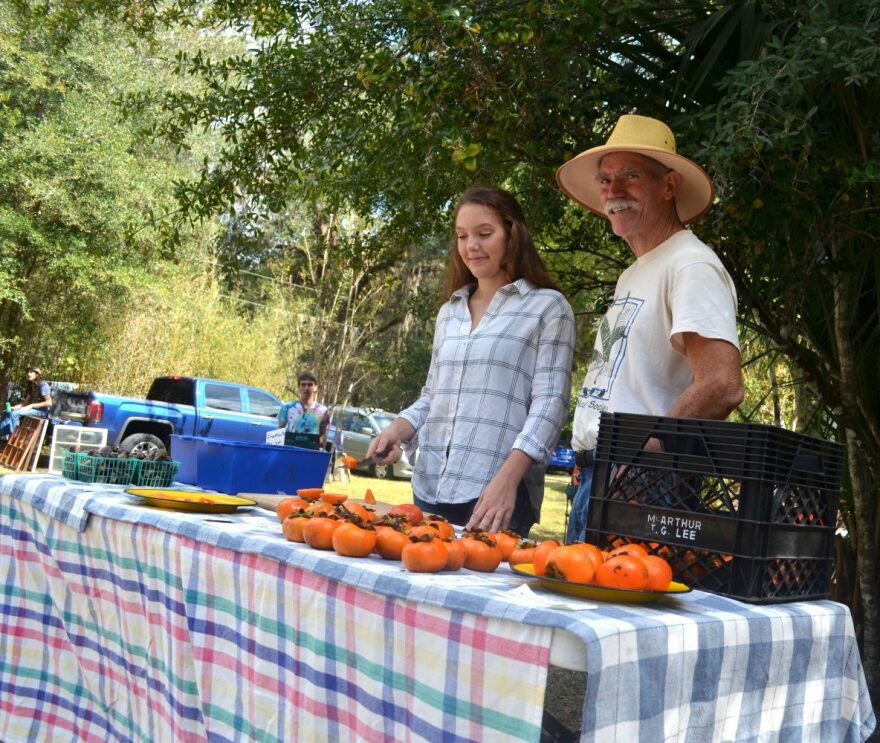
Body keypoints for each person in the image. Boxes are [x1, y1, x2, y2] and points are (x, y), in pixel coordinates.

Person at [556, 114, 744, 543]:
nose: (613, 191)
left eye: (630, 176)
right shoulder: (636, 272)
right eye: (604, 180)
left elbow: (723, 383)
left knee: (612, 609)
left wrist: (645, 457)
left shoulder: (690, 263)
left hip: (641, 484)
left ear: (669, 186)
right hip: (601, 474)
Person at [366, 186, 575, 536]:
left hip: (495, 495)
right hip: (430, 487)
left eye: (484, 234)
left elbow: (550, 405)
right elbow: (434, 395)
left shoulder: (548, 307)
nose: (471, 246)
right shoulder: (449, 312)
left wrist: (507, 480)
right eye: (462, 236)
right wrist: (397, 431)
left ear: (513, 233)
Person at [277, 370, 331, 449]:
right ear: (299, 387)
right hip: (290, 452)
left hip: (311, 454)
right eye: (303, 384)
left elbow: (323, 436)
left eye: (310, 385)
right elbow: (279, 432)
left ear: (315, 387)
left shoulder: (323, 411)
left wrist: (322, 450)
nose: (306, 388)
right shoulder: (287, 407)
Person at [0, 367, 53, 441]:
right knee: (6, 412)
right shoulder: (31, 385)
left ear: (37, 375)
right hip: (32, 409)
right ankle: (4, 438)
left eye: (31, 372)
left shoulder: (42, 385)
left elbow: (49, 403)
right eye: (28, 372)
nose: (28, 374)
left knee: (15, 414)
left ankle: (15, 437)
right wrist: (13, 407)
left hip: (42, 411)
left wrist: (31, 405)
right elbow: (24, 403)